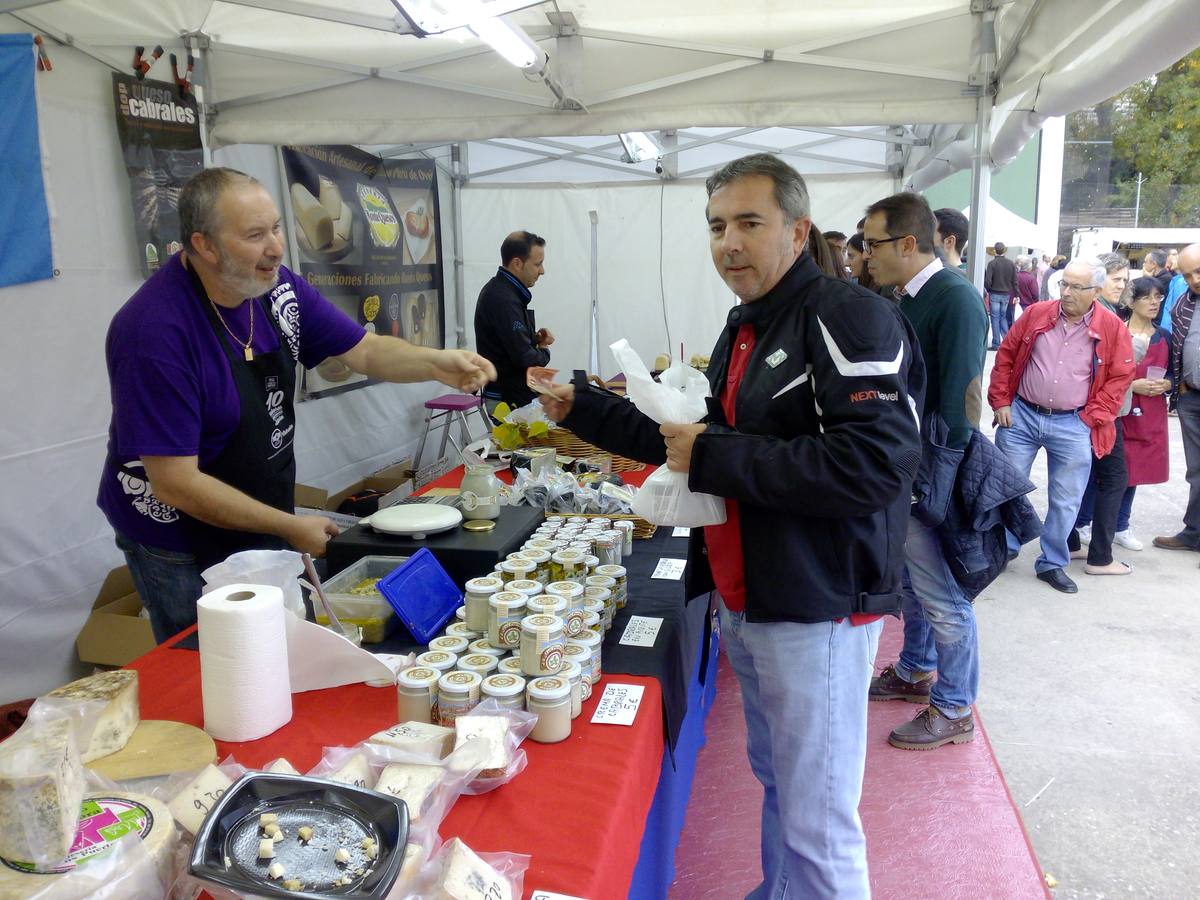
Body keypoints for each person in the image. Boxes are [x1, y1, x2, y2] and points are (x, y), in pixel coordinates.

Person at [540, 153, 924, 898]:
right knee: (780, 782)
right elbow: (695, 441)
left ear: (797, 229)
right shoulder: (748, 322)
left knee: (819, 820)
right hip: (751, 598)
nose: (729, 243)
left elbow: (876, 465)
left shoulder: (846, 314)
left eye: (750, 223)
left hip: (818, 606)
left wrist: (718, 456)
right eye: (717, 226)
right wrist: (584, 407)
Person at [98, 167, 496, 642]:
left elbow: (363, 350)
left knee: (279, 645)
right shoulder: (155, 333)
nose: (276, 247)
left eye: (276, 228)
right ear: (204, 246)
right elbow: (176, 483)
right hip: (177, 537)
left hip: (259, 507)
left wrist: (436, 362)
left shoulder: (276, 288)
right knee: (210, 663)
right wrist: (289, 525)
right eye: (255, 235)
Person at [861, 192, 989, 750]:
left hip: (933, 464)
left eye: (873, 245)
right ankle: (915, 671)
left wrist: (944, 474)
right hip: (908, 463)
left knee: (941, 593)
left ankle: (956, 706)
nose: (866, 255)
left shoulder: (954, 298)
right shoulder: (906, 295)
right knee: (913, 584)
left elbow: (964, 394)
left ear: (908, 244)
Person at [987, 258, 1135, 593]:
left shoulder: (1112, 328)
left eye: (1075, 287)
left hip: (1073, 422)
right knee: (1006, 489)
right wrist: (1001, 401)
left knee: (1066, 498)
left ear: (1095, 291)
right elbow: (1006, 356)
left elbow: (1121, 377)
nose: (1066, 292)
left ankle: (1052, 562)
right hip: (1021, 415)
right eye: (1063, 284)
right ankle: (1003, 550)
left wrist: (1091, 418)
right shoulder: (1037, 313)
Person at [1067, 253, 1134, 575]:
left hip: (1091, 413)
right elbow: (1117, 375)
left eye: (1124, 279)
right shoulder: (1102, 317)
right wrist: (1096, 414)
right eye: (1116, 278)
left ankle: (1070, 542)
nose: (1122, 285)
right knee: (1113, 478)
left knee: (1078, 479)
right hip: (1099, 415)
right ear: (1097, 283)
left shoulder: (1101, 313)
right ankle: (1100, 557)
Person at [1110, 278, 1172, 549]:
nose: (1153, 303)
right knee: (1114, 469)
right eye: (1146, 297)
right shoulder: (1118, 331)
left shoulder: (1165, 336)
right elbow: (1105, 374)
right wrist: (1132, 385)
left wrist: (1167, 384)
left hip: (1151, 410)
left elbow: (1173, 371)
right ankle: (1092, 522)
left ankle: (1121, 525)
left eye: (1158, 297)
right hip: (1122, 409)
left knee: (1135, 469)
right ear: (1131, 301)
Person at [1152, 243, 1200, 552]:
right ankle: (1194, 532)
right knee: (1196, 469)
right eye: (1188, 274)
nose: (1194, 279)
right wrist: (1180, 384)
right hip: (1191, 397)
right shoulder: (1183, 303)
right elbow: (1179, 344)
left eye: (1198, 270)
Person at [473, 230, 554, 410]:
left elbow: (509, 342)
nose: (542, 271)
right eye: (538, 264)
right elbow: (524, 358)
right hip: (508, 399)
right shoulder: (503, 299)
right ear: (517, 263)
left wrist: (533, 338)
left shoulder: (507, 293)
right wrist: (544, 350)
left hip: (515, 394)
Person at [984, 242, 1017, 349]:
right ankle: (1007, 341)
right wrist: (1016, 294)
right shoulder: (1011, 264)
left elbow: (988, 281)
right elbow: (1015, 281)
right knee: (1003, 317)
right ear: (1004, 250)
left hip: (994, 292)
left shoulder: (992, 264)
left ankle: (996, 343)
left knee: (994, 318)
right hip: (1006, 294)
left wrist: (989, 289)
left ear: (995, 250)